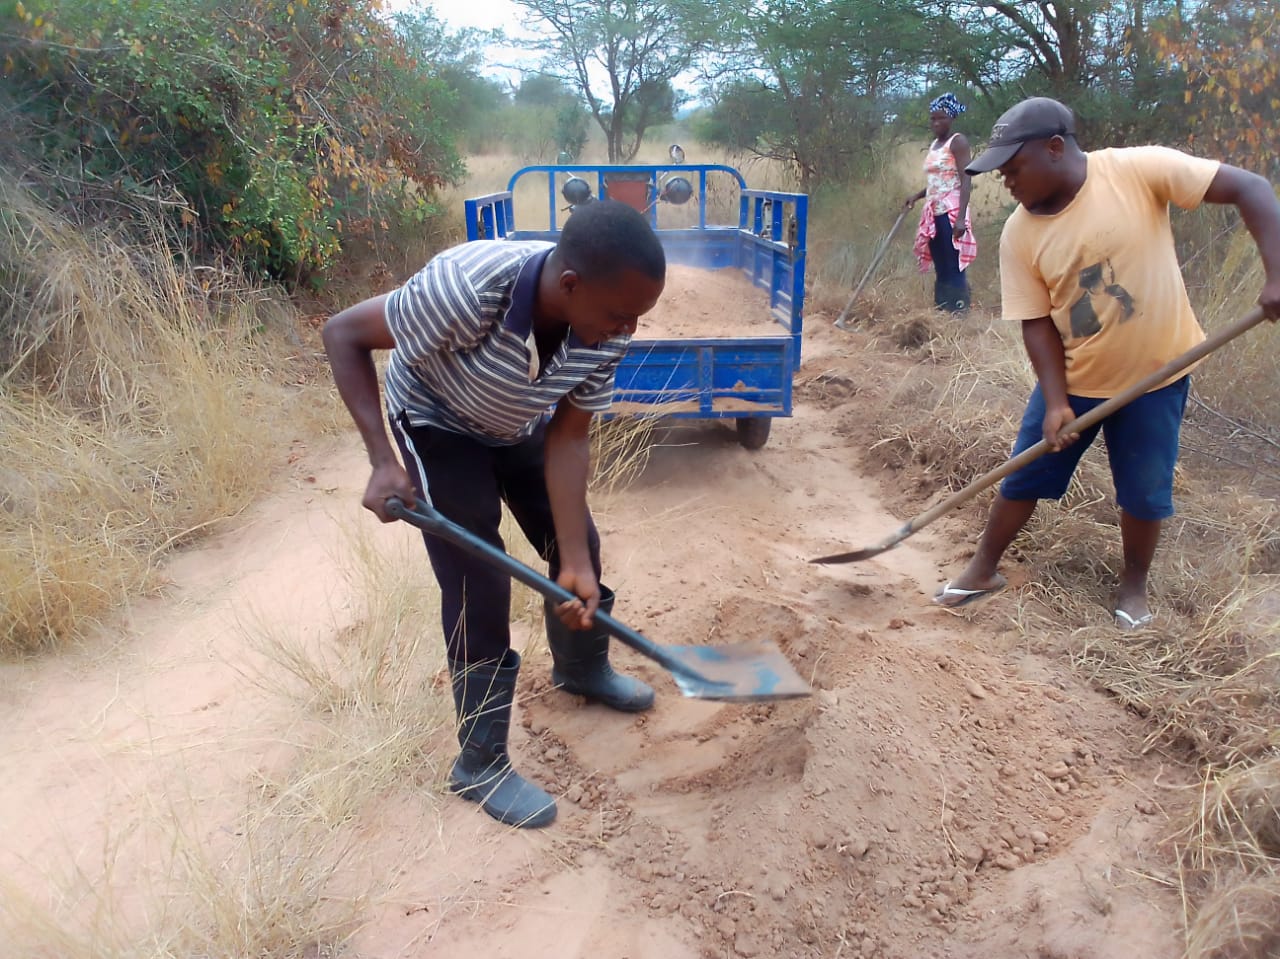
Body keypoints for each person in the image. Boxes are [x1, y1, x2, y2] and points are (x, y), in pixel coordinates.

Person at [323, 199, 666, 828]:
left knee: (576, 546)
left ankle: (580, 669)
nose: (629, 331)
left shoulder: (603, 328)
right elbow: (342, 333)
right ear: (570, 286)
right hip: (436, 420)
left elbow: (567, 438)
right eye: (621, 316)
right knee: (479, 576)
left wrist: (577, 563)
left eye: (637, 318)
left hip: (516, 422)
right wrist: (381, 459)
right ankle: (478, 763)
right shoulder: (464, 289)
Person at [931, 96, 1280, 630]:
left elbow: (1251, 188)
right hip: (1076, 381)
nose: (1006, 180)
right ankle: (983, 568)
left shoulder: (1138, 170)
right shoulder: (1019, 234)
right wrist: (1054, 403)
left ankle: (1133, 588)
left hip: (1157, 377)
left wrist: (1276, 273)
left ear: (1055, 148)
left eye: (1013, 167)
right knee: (1023, 474)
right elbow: (1037, 321)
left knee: (1144, 491)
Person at [904, 93, 978, 313]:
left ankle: (959, 312)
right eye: (933, 119)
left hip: (952, 211)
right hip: (933, 212)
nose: (936, 123)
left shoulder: (958, 141)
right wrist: (916, 196)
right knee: (941, 264)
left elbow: (965, 179)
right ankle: (941, 311)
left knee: (954, 265)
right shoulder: (936, 144)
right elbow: (937, 182)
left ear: (951, 118)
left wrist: (961, 219)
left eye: (941, 118)